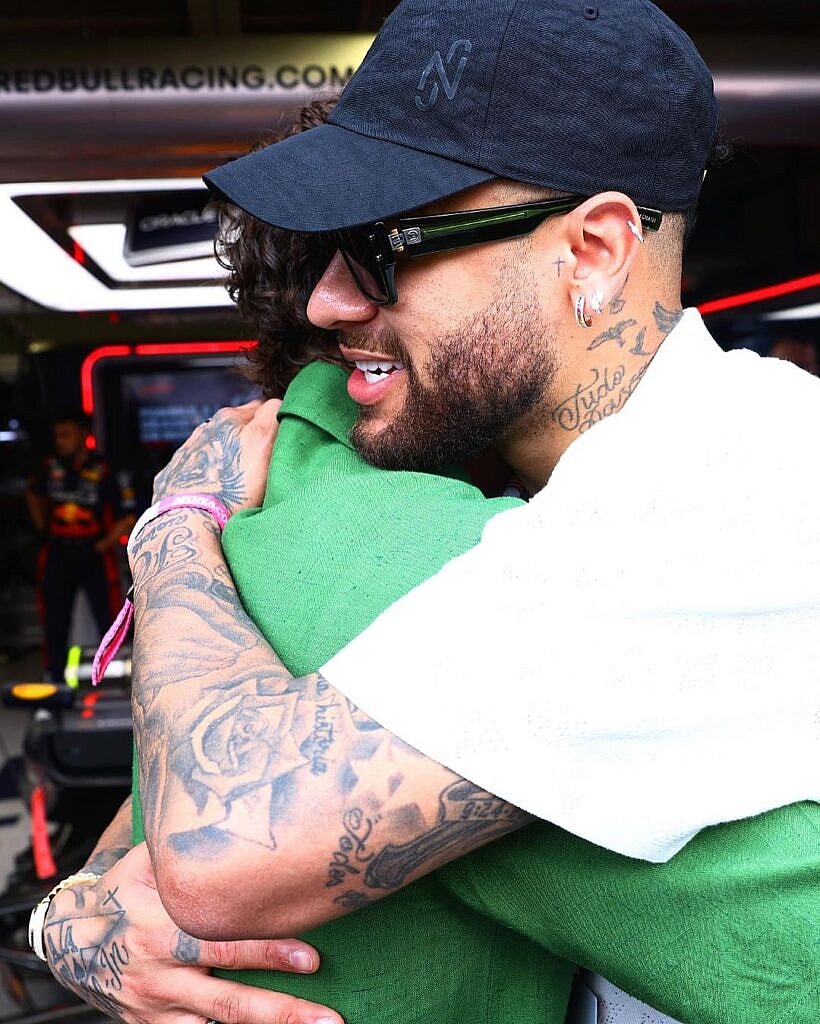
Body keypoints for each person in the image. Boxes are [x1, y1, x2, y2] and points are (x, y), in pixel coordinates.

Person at [38, 0, 819, 1021]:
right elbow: (142, 835)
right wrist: (70, 923)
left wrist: (177, 522)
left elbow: (221, 852)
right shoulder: (498, 498)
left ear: (590, 252)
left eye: (384, 244)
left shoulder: (727, 488)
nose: (327, 302)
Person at [25, 411, 137, 681]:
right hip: (58, 552)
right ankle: (54, 680)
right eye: (57, 436)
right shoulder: (50, 466)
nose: (60, 442)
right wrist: (43, 529)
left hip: (94, 553)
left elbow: (129, 516)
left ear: (84, 435)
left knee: (110, 618)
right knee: (54, 620)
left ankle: (119, 678)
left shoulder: (106, 470)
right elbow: (32, 492)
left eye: (66, 435)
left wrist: (103, 545)